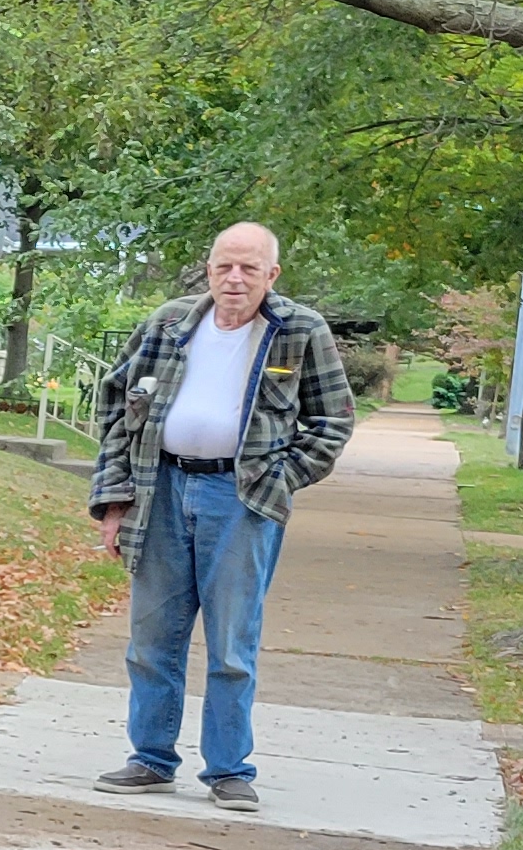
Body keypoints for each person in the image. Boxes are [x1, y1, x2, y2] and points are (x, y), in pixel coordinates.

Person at [87, 224, 354, 812]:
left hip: (241, 498)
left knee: (233, 642)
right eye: (224, 267)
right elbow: (114, 404)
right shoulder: (168, 323)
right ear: (208, 269)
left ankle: (230, 768)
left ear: (271, 275)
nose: (235, 279)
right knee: (152, 637)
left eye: (249, 270)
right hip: (160, 488)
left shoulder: (300, 331)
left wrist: (278, 480)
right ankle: (151, 759)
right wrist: (114, 500)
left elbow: (332, 422)